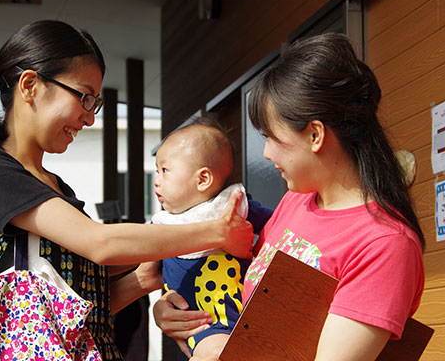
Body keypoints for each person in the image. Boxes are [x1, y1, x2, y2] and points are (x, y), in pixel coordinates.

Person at [0, 19, 254, 360]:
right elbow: (101, 243)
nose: (89, 118)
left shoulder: (57, 186)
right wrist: (216, 231)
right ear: (30, 86)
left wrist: (144, 279)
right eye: (84, 97)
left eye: (94, 103)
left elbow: (80, 312)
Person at [153, 32, 425, 361]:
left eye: (272, 137)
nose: (266, 153)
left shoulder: (385, 243)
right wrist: (178, 311)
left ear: (314, 134)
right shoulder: (297, 203)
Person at [152, 118, 253, 360]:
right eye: (157, 171)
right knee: (215, 353)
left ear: (203, 179)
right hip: (204, 324)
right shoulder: (162, 224)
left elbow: (281, 225)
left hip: (247, 316)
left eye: (164, 171)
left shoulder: (234, 205)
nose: (156, 180)